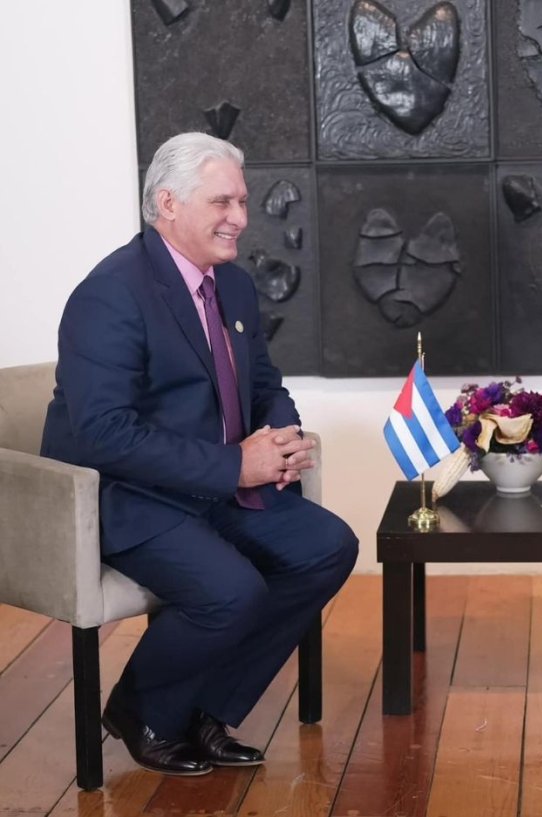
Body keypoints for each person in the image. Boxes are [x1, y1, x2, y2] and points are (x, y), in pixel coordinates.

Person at [40, 133, 359, 777]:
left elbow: (264, 385)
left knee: (328, 547)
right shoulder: (110, 294)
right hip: (132, 495)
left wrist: (283, 439)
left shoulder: (233, 286)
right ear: (167, 203)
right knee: (231, 592)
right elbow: (104, 434)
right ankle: (142, 710)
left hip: (214, 487)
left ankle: (205, 710)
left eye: (241, 201)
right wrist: (235, 466)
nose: (241, 217)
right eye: (223, 202)